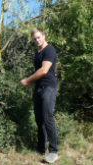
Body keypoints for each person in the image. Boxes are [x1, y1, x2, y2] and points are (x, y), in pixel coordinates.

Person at [20, 27, 58, 163]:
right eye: (34, 38)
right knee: (39, 119)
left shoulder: (49, 50)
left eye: (38, 37)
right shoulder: (38, 52)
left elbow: (43, 70)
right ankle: (41, 148)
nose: (37, 40)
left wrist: (27, 80)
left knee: (48, 117)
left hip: (49, 88)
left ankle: (53, 152)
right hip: (39, 88)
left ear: (43, 35)